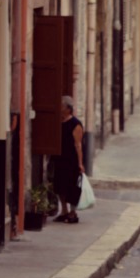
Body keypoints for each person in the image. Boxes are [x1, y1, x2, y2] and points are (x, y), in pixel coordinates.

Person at [51, 96, 84, 224]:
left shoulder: (76, 124)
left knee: (72, 187)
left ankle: (73, 213)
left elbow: (78, 144)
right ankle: (64, 211)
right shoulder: (59, 122)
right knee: (60, 186)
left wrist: (80, 163)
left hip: (71, 160)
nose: (59, 109)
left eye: (62, 106)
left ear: (68, 109)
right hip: (60, 158)